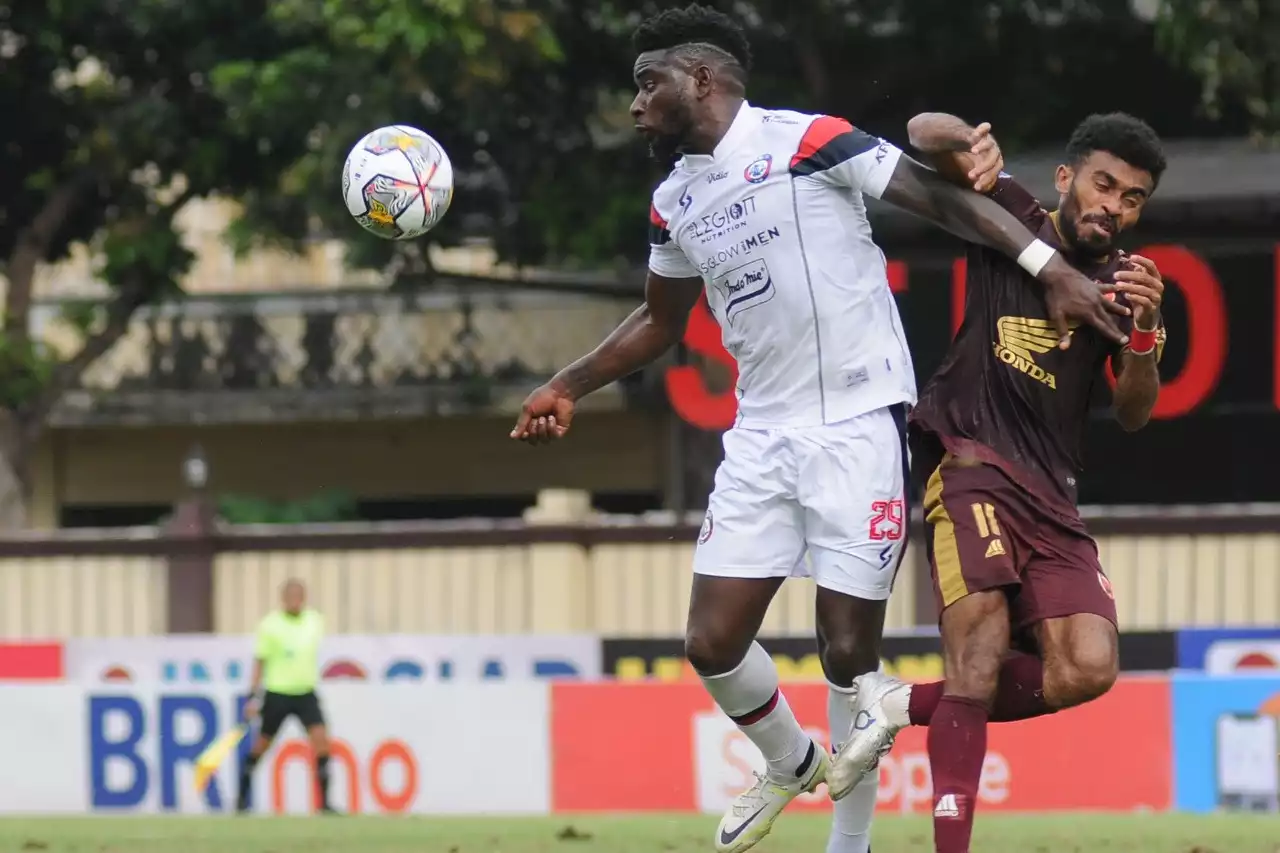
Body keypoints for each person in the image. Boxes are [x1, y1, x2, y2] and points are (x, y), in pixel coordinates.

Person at [510, 7, 1129, 852]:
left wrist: (1049, 267)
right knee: (710, 640)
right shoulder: (674, 199)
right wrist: (567, 383)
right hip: (762, 433)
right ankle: (789, 758)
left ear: (702, 79)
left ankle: (851, 843)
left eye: (646, 86)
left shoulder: (808, 141)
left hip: (857, 423)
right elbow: (659, 321)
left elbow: (941, 199)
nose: (634, 106)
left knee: (847, 654)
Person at [828, 112, 1168, 853]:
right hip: (970, 458)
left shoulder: (1127, 285)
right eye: (1104, 184)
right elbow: (922, 131)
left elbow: (1136, 411)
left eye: (1133, 198)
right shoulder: (1009, 214)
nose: (1113, 205)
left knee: (1088, 666)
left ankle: (897, 701)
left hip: (1053, 495)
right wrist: (967, 140)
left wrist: (1145, 334)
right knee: (977, 652)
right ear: (1066, 178)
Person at [237, 578, 335, 814]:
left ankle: (325, 804)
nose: (295, 601)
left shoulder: (314, 621)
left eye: (299, 596)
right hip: (277, 693)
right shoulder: (270, 625)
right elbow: (260, 661)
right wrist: (252, 696)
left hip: (305, 692)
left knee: (322, 741)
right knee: (261, 745)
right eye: (291, 596)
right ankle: (241, 800)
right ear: (284, 599)